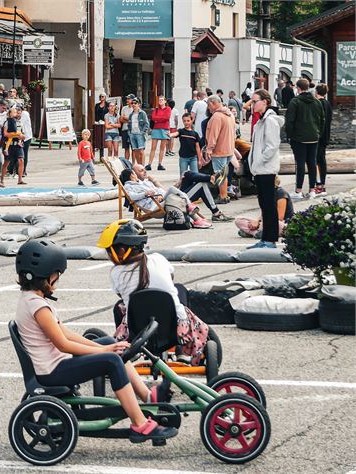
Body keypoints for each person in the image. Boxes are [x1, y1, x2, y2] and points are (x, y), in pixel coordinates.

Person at [14, 238, 177, 443]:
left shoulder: (33, 300)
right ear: (44, 277)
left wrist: (107, 346)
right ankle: (139, 424)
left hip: (56, 364)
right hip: (52, 371)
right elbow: (63, 344)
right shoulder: (38, 307)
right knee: (112, 361)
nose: (57, 280)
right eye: (56, 276)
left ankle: (147, 396)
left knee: (108, 344)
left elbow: (67, 334)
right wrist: (105, 353)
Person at [97, 219, 209, 366]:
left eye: (109, 251)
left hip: (138, 333)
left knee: (119, 306)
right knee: (179, 289)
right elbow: (171, 278)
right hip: (173, 331)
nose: (109, 256)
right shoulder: (158, 259)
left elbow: (123, 297)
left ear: (122, 251)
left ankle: (128, 348)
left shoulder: (116, 273)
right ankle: (181, 348)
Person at [245, 88, 285, 249]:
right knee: (264, 204)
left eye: (255, 101)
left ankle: (270, 239)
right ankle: (266, 237)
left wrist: (259, 162)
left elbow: (272, 146)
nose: (252, 104)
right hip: (260, 170)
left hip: (266, 170)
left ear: (265, 102)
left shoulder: (270, 121)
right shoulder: (260, 121)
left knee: (269, 205)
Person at [285, 78, 325, 200]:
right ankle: (312, 189)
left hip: (299, 138)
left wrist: (290, 136)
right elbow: (322, 120)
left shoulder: (295, 102)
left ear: (298, 88)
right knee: (312, 163)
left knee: (300, 163)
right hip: (314, 137)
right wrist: (318, 133)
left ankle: (298, 190)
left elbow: (289, 121)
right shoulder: (317, 102)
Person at [204, 95, 236, 205]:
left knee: (220, 174)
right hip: (229, 149)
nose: (208, 109)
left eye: (208, 105)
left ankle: (222, 196)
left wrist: (209, 149)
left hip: (219, 151)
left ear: (212, 103)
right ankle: (225, 195)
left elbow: (213, 135)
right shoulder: (230, 114)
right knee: (224, 174)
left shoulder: (217, 117)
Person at [314, 83, 332, 196]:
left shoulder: (318, 104)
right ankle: (322, 184)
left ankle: (319, 185)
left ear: (316, 92)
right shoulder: (328, 104)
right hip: (325, 135)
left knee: (315, 160)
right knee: (322, 159)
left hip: (317, 136)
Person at [2, 106, 25, 185]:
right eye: (14, 112)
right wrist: (16, 135)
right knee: (6, 162)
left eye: (17, 113)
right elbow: (5, 134)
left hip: (18, 145)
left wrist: (21, 137)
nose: (16, 114)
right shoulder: (7, 122)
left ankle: (20, 179)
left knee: (21, 160)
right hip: (10, 145)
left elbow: (23, 134)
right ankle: (1, 179)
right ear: (10, 114)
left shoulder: (20, 123)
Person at [146, 96, 171, 170]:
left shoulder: (168, 109)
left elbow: (167, 117)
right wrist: (161, 119)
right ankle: (149, 164)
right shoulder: (156, 109)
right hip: (156, 128)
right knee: (153, 147)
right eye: (159, 100)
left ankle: (160, 164)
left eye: (162, 100)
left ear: (165, 101)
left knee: (162, 148)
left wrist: (158, 119)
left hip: (164, 128)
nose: (160, 101)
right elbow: (153, 118)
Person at [128, 98, 149, 165]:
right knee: (135, 151)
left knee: (141, 151)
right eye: (132, 103)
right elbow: (129, 125)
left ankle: (143, 166)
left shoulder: (142, 113)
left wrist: (142, 133)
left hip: (140, 134)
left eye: (135, 103)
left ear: (139, 104)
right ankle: (139, 166)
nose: (133, 104)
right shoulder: (131, 115)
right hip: (132, 134)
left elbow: (146, 124)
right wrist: (130, 133)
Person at [119, 94, 135, 162]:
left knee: (133, 148)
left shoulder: (135, 108)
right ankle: (127, 163)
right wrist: (129, 119)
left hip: (132, 130)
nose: (127, 100)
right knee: (126, 148)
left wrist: (126, 118)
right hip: (124, 129)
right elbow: (121, 119)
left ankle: (134, 163)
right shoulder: (124, 108)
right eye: (127, 99)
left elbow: (134, 119)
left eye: (129, 99)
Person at [19, 104, 33, 176]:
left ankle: (23, 171)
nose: (18, 112)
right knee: (19, 154)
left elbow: (20, 123)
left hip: (26, 137)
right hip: (20, 136)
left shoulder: (25, 114)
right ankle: (19, 170)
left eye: (19, 110)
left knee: (24, 153)